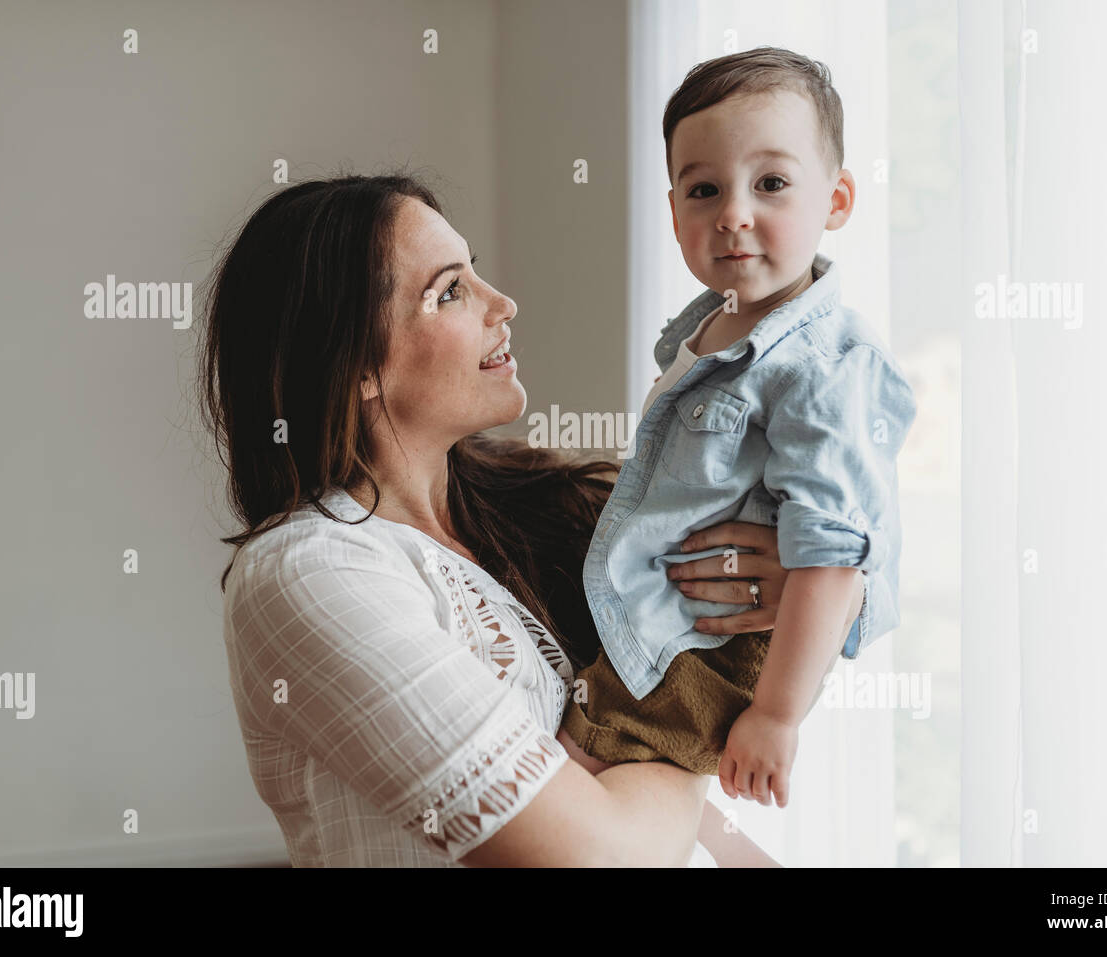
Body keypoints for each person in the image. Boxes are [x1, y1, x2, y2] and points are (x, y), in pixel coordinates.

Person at [197, 173, 790, 866]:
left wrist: (776, 586)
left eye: (474, 272)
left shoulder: (539, 514)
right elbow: (594, 859)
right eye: (449, 290)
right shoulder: (309, 570)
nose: (503, 303)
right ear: (355, 362)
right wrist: (690, 704)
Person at [561, 48, 919, 808]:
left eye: (772, 184)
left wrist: (777, 714)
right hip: (662, 620)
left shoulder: (824, 365)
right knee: (578, 762)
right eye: (704, 188)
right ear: (674, 210)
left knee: (564, 782)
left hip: (719, 649)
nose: (733, 212)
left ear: (838, 199)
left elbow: (834, 553)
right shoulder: (709, 326)